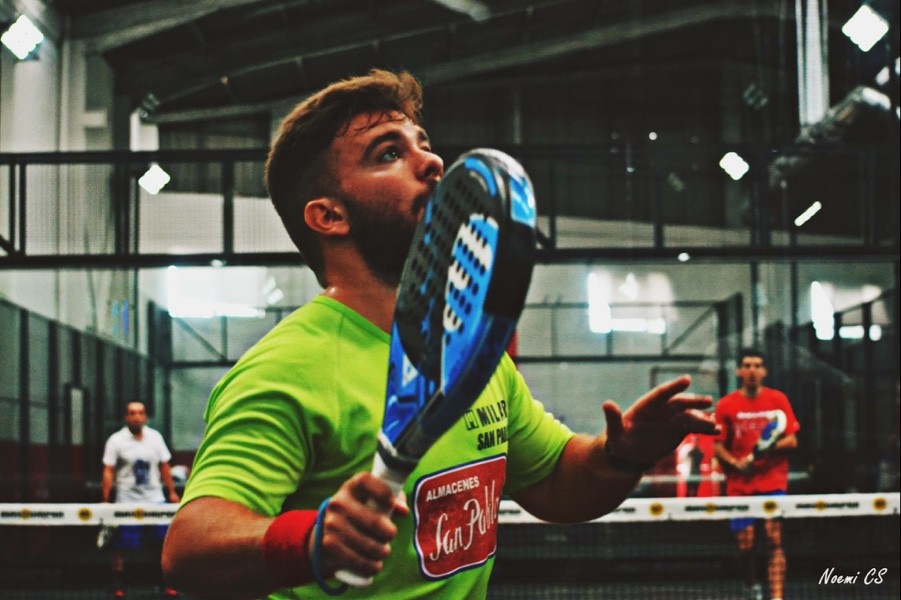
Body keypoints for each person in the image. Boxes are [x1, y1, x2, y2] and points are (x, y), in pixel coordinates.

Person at [161, 69, 720, 599]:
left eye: (422, 144)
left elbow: (555, 481)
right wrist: (309, 541)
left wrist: (620, 454)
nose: (431, 161)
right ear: (329, 215)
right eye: (389, 153)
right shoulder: (286, 370)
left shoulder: (470, 350)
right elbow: (188, 548)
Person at [713, 349, 800, 600]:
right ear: (739, 371)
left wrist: (767, 448)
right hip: (740, 486)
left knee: (774, 539)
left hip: (773, 481)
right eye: (747, 365)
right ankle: (751, 584)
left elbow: (792, 440)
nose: (752, 370)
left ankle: (777, 597)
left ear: (764, 371)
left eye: (757, 365)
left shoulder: (778, 399)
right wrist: (735, 463)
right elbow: (718, 446)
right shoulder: (726, 405)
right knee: (746, 545)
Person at [102, 402, 181, 598]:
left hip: (155, 498)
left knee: (164, 542)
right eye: (132, 413)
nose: (136, 417)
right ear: (126, 417)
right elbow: (108, 470)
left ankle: (166, 583)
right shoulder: (116, 440)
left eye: (140, 413)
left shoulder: (155, 438)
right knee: (119, 545)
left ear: (145, 417)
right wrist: (105, 499)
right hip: (126, 499)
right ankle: (117, 584)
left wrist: (172, 492)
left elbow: (164, 466)